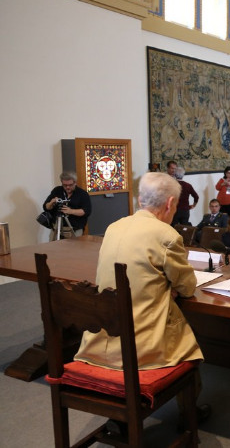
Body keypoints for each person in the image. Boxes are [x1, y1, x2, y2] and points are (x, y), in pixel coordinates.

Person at [73, 172, 210, 424]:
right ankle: (188, 415)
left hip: (100, 339)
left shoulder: (113, 228)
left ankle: (118, 418)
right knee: (189, 349)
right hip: (142, 344)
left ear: (139, 200)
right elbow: (187, 287)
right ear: (170, 203)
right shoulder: (166, 235)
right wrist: (169, 286)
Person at [43, 171, 92, 240]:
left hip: (74, 230)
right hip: (56, 229)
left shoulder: (82, 194)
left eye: (70, 185)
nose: (67, 187)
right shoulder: (57, 190)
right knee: (53, 246)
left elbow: (86, 211)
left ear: (75, 183)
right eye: (65, 185)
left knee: (74, 247)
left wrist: (71, 211)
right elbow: (46, 207)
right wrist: (51, 202)